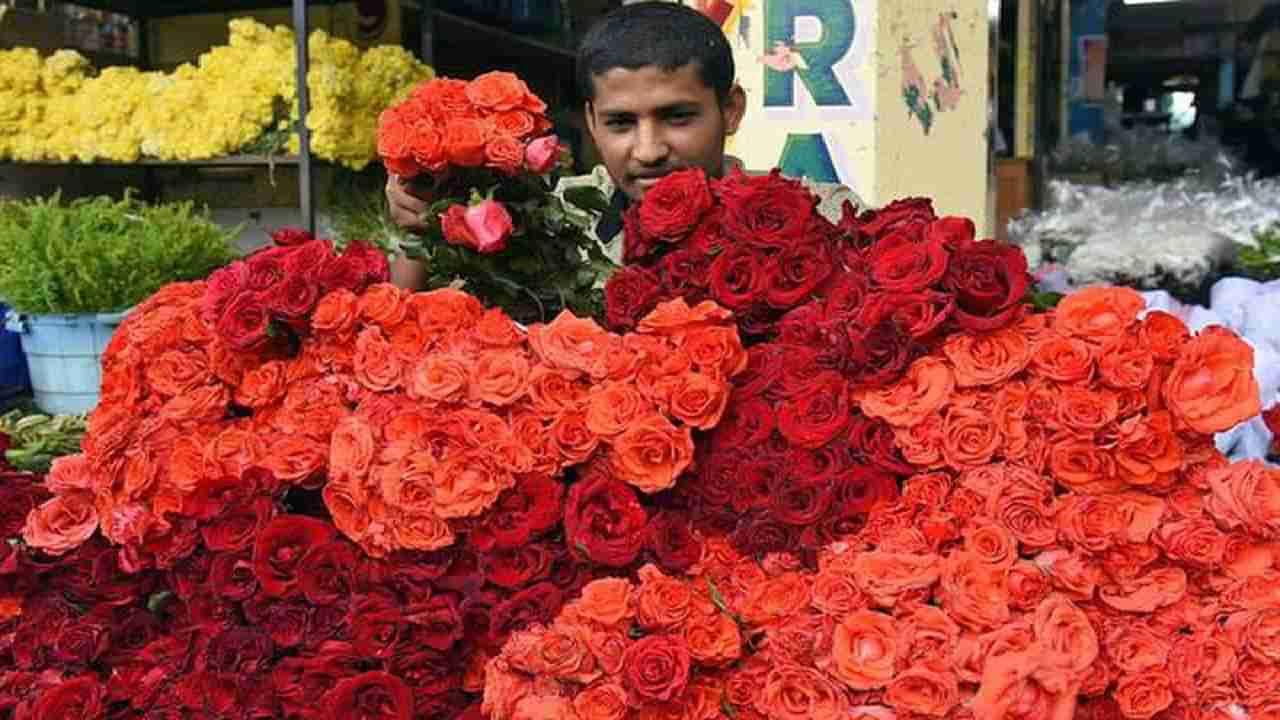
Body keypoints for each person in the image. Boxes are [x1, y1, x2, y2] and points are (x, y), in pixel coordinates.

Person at [385, 1, 862, 290]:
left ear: (731, 109)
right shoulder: (540, 220)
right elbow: (413, 331)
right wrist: (424, 226)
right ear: (591, 121)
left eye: (678, 117)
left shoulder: (819, 214)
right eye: (621, 123)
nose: (649, 150)